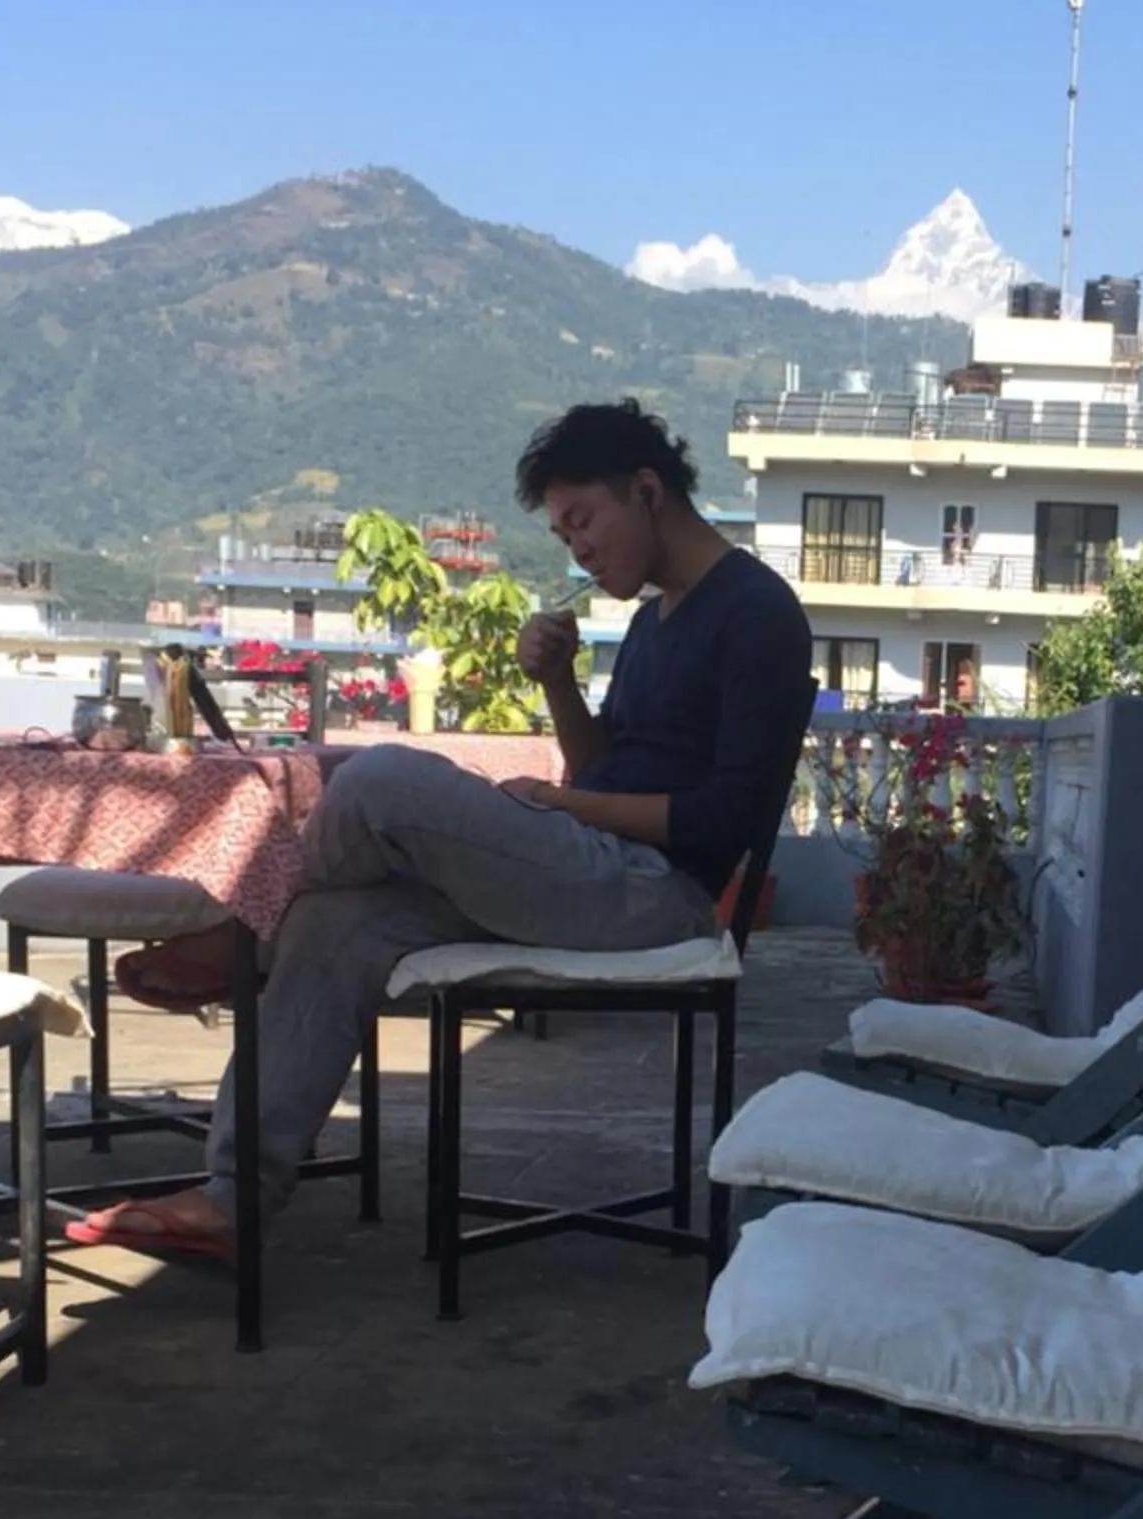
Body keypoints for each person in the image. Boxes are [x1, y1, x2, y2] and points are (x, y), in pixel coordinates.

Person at [66, 402, 813, 1262]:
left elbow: (727, 815)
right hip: (595, 870)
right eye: (565, 532)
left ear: (646, 491)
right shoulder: (653, 622)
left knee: (380, 777)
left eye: (583, 521)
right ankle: (236, 1198)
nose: (578, 549)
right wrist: (561, 687)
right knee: (333, 922)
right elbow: (605, 771)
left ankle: (235, 933)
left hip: (663, 899)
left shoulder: (757, 612)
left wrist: (563, 810)